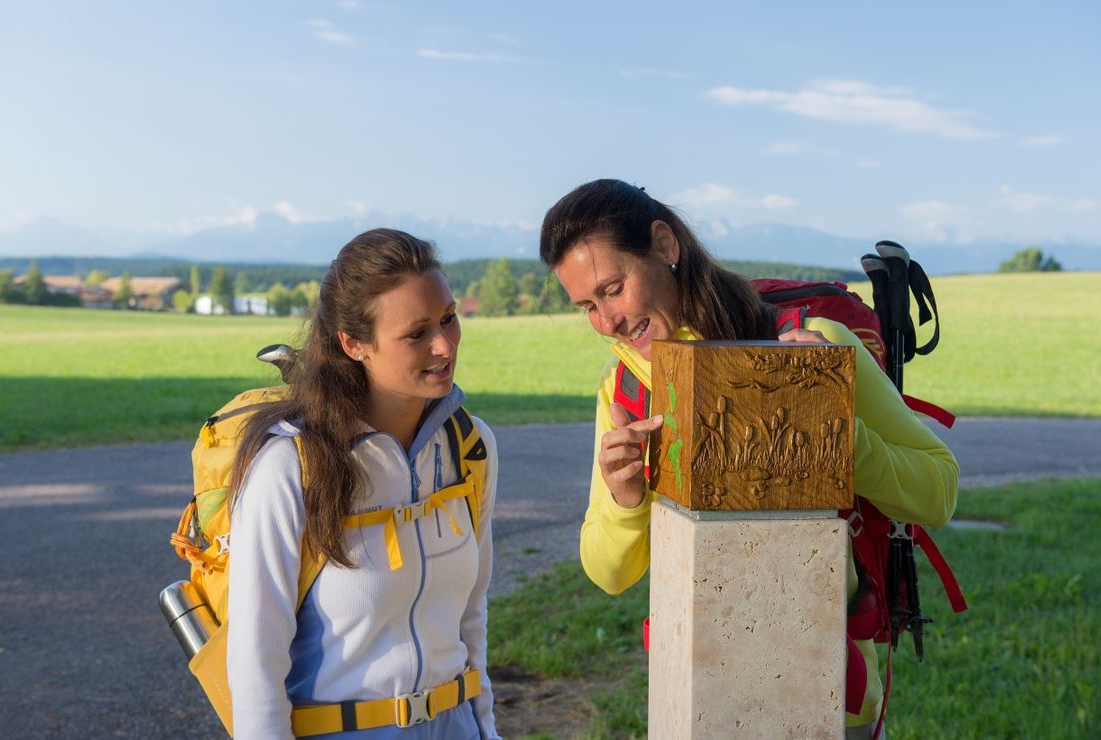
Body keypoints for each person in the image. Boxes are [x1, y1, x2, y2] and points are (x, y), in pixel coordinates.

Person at [539, 179, 958, 736]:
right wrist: (624, 500)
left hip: (828, 697)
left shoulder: (812, 339)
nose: (606, 322)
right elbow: (608, 573)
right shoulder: (624, 388)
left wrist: (837, 434)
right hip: (695, 697)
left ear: (665, 245)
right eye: (587, 306)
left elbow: (939, 491)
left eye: (613, 288)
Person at [225, 229, 500, 739]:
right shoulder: (289, 468)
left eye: (448, 318)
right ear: (354, 344)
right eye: (416, 333)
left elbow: (469, 617)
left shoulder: (470, 448)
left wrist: (487, 729)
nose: (445, 344)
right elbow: (255, 668)